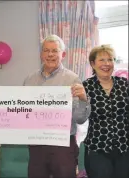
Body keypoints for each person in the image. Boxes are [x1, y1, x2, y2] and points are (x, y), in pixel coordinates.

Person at [25, 34, 90, 178]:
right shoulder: (29, 80)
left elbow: (79, 119)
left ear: (63, 54)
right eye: (46, 50)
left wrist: (83, 100)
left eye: (55, 50)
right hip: (37, 144)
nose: (50, 54)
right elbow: (24, 112)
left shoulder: (72, 79)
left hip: (63, 145)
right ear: (41, 54)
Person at [83, 45, 129, 178]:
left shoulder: (124, 84)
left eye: (110, 59)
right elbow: (80, 117)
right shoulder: (86, 86)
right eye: (102, 60)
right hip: (98, 148)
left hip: (124, 148)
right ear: (93, 63)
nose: (107, 64)